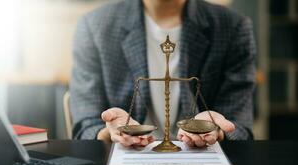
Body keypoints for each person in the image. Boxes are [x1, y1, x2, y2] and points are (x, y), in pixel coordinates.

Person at [70, 0, 256, 147]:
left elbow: (240, 128)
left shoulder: (232, 27)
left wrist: (218, 131)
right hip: (124, 161)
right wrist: (109, 132)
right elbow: (84, 127)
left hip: (203, 161)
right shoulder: (95, 26)